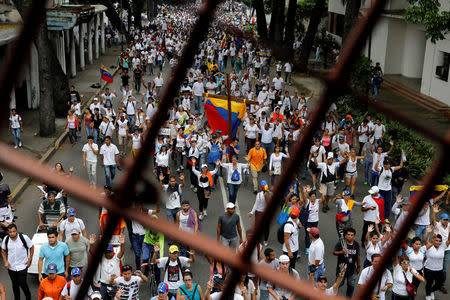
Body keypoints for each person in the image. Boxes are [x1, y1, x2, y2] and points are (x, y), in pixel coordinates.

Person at [1, 224, 33, 300]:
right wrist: (5, 261)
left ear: (17, 231)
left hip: (22, 266)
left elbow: (31, 247)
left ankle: (28, 297)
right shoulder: (6, 239)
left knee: (22, 283)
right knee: (15, 285)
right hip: (11, 267)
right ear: (8, 232)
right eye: (10, 232)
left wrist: (30, 259)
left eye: (13, 231)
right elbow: (3, 250)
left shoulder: (24, 238)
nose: (12, 233)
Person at [92, 234, 125, 300]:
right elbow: (93, 253)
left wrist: (122, 244)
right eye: (106, 252)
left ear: (113, 251)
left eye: (109, 252)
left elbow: (122, 252)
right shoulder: (102, 258)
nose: (108, 254)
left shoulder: (116, 257)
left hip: (115, 285)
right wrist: (91, 245)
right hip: (104, 285)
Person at [423, 225, 450, 300]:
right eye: (436, 240)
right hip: (429, 269)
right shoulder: (429, 246)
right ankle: (428, 295)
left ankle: (431, 291)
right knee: (429, 283)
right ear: (433, 240)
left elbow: (449, 240)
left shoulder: (443, 246)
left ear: (441, 242)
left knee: (439, 284)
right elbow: (425, 240)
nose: (437, 242)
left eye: (439, 241)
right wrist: (428, 232)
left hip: (439, 270)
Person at [333, 227, 360, 297]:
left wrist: (358, 267)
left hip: (352, 269)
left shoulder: (356, 244)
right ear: (345, 235)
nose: (350, 236)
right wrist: (341, 252)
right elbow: (334, 252)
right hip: (341, 268)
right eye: (348, 234)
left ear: (354, 236)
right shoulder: (341, 243)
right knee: (338, 284)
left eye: (352, 235)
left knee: (351, 286)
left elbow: (358, 256)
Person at [431, 205, 450, 294]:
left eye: (447, 220)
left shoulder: (449, 225)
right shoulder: (438, 224)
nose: (445, 221)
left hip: (447, 250)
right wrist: (434, 212)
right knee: (436, 267)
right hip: (437, 249)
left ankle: (441, 285)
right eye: (444, 220)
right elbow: (432, 221)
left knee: (445, 269)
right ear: (441, 220)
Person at [248, 180, 271, 245]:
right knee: (266, 227)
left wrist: (252, 212)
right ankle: (265, 240)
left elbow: (256, 204)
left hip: (259, 213)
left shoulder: (259, 195)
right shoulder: (270, 194)